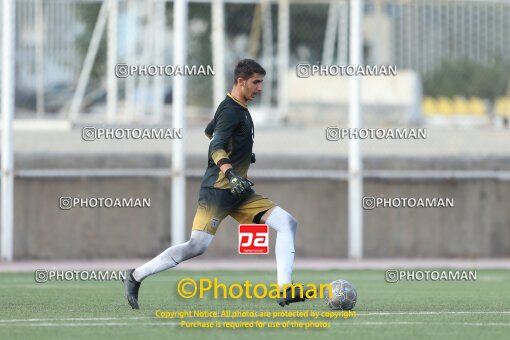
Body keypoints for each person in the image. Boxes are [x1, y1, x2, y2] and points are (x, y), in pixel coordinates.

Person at [123, 59, 305, 309]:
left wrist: (240, 152)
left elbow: (211, 131)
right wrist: (230, 171)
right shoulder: (231, 110)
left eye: (261, 82)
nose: (260, 88)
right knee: (197, 245)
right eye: (256, 82)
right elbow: (215, 145)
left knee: (287, 223)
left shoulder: (236, 106)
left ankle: (285, 289)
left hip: (240, 192)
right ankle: (135, 276)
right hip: (219, 189)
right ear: (241, 81)